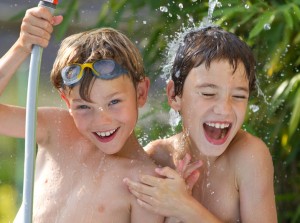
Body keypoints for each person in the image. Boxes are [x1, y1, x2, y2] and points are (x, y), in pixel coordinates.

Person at [0, 7, 164, 223]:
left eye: (114, 102)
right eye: (84, 107)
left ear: (141, 93)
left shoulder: (145, 183)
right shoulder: (57, 128)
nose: (101, 120)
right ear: (67, 101)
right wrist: (22, 47)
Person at [124, 26, 278, 223]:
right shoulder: (157, 159)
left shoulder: (248, 156)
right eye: (208, 93)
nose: (224, 109)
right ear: (173, 95)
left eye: (239, 96)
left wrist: (184, 207)